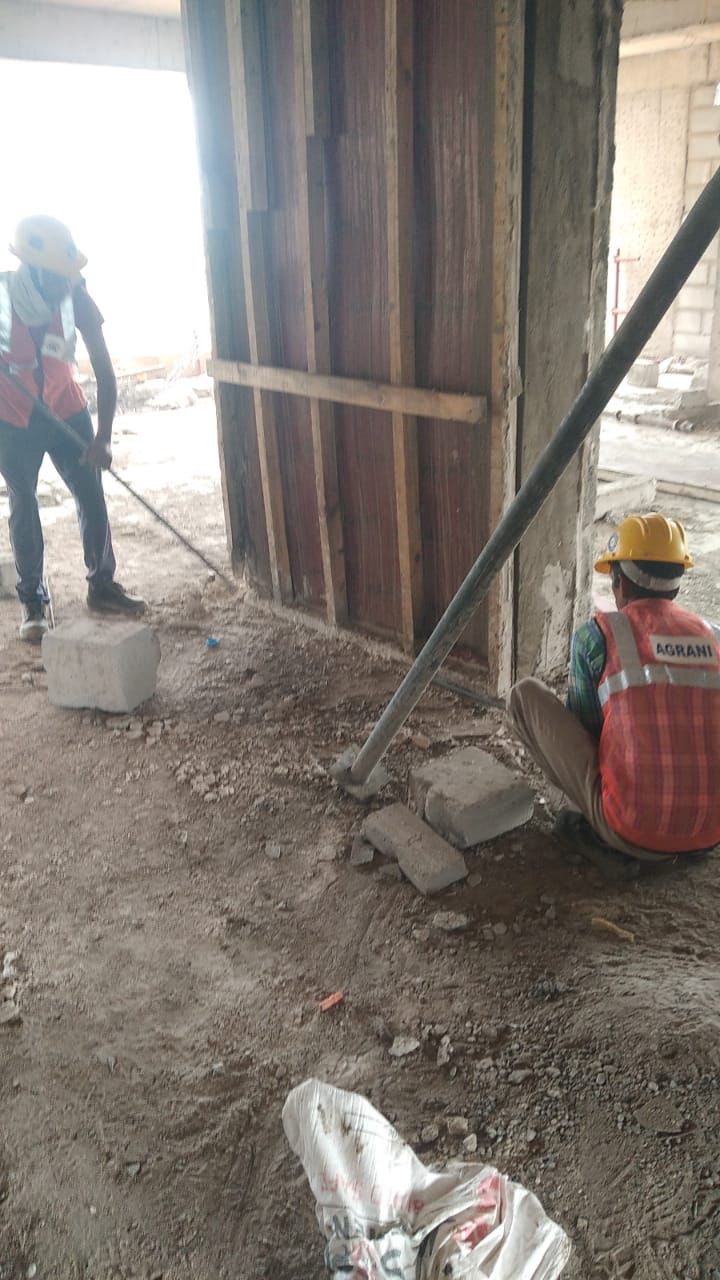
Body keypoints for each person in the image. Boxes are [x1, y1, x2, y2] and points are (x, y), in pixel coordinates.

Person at [508, 513, 720, 879]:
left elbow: (587, 733)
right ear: (676, 585)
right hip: (710, 831)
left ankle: (596, 832)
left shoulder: (597, 635)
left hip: (633, 831)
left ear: (619, 581)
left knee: (523, 696)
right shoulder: (713, 635)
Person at [0, 214, 144, 642]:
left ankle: (102, 586)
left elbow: (104, 371)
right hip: (12, 418)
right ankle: (33, 600)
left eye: (70, 274)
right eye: (59, 275)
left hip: (66, 408)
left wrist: (103, 438)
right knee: (24, 502)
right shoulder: (3, 296)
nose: (68, 282)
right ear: (33, 271)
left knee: (91, 495)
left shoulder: (77, 298)